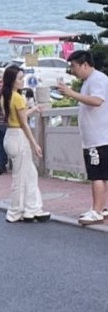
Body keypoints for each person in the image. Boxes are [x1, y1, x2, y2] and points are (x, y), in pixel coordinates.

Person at [57, 48, 108, 225]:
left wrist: (71, 93)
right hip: (98, 136)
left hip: (98, 137)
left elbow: (97, 101)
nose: (72, 70)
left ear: (85, 65)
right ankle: (102, 207)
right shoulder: (91, 80)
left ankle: (96, 211)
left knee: (97, 175)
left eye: (74, 66)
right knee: (103, 174)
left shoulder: (97, 80)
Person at [0, 65, 50, 223]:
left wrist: (32, 109)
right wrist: (35, 144)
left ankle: (31, 209)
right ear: (12, 80)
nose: (22, 81)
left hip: (10, 135)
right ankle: (16, 211)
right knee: (21, 178)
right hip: (19, 137)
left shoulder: (5, 96)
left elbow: (16, 117)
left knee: (29, 174)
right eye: (20, 79)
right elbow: (24, 123)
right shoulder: (18, 98)